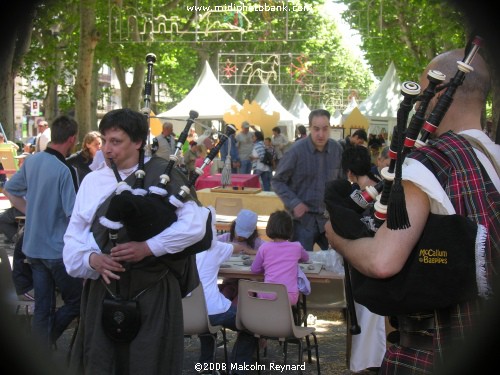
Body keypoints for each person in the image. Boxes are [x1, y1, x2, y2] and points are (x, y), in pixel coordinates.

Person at [324, 49, 499, 374]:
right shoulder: (494, 156)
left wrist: (336, 236)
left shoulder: (428, 163)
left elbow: (382, 261)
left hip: (434, 355)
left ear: (441, 92)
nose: (420, 104)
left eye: (424, 92)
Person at [63, 108, 211, 374]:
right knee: (100, 363)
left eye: (116, 142)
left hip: (152, 290)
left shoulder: (163, 175)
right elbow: (72, 239)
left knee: (149, 364)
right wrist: (92, 259)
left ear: (139, 142)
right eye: (105, 141)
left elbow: (195, 226)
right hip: (103, 291)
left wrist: (147, 248)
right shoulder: (92, 182)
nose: (107, 149)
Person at [4, 115, 82, 348]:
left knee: (43, 308)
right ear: (72, 139)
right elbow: (73, 215)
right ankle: (44, 343)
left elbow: (10, 189)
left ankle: (39, 348)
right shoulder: (63, 170)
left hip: (33, 248)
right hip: (56, 251)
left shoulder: (32, 161)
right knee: (77, 302)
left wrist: (31, 211)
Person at [335, 145, 387, 373]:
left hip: (367, 265)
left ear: (349, 173)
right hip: (381, 264)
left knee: (367, 325)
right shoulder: (383, 184)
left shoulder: (360, 194)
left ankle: (366, 364)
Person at [272, 109, 343, 251]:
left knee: (336, 263)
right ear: (310, 128)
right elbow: (277, 181)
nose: (321, 134)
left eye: (325, 129)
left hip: (328, 220)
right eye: (316, 129)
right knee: (301, 265)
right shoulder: (296, 151)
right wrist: (294, 202)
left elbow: (342, 182)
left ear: (330, 127)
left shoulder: (337, 150)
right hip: (302, 222)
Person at [195, 236, 256, 374]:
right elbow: (237, 247)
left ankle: (206, 367)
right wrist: (251, 251)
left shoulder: (177, 247)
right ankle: (237, 370)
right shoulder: (214, 247)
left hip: (188, 313)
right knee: (251, 325)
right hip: (213, 310)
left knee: (205, 326)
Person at [251, 210, 309, 305]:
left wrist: (267, 267)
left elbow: (254, 269)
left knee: (256, 286)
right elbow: (306, 258)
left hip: (268, 294)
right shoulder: (297, 247)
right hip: (290, 296)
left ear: (269, 227)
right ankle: (289, 318)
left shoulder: (264, 248)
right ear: (290, 229)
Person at [217, 209, 267, 303]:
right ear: (234, 225)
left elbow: (270, 251)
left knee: (246, 295)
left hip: (250, 282)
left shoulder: (257, 242)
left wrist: (250, 251)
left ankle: (238, 314)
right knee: (225, 293)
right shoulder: (225, 238)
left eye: (245, 235)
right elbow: (212, 247)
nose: (241, 237)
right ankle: (227, 314)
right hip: (229, 281)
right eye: (239, 233)